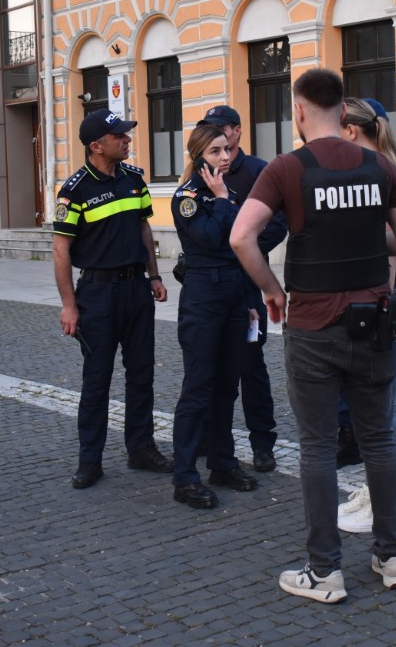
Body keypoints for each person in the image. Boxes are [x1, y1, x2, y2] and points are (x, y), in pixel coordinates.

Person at [230, 68, 396, 603]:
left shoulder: (287, 168)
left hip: (313, 326)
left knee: (316, 446)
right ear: (342, 110)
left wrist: (271, 289)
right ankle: (392, 556)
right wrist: (365, 236)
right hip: (373, 321)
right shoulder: (380, 166)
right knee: (380, 438)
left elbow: (241, 236)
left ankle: (324, 572)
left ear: (298, 111)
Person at [53, 108, 172, 490]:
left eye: (126, 134)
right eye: (119, 135)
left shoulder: (134, 179)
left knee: (142, 374)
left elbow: (143, 228)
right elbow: (61, 251)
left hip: (136, 289)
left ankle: (141, 448)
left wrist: (154, 275)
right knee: (97, 381)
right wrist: (69, 305)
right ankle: (90, 460)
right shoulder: (74, 190)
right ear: (96, 146)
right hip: (98, 295)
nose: (127, 139)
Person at [170, 123, 259, 509]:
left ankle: (222, 463)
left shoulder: (229, 193)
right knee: (198, 389)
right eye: (216, 151)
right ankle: (185, 477)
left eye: (227, 149)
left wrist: (249, 299)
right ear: (198, 157)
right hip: (203, 297)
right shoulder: (187, 197)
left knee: (227, 386)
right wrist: (222, 199)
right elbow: (208, 238)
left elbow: (241, 246)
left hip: (234, 295)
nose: (225, 156)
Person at [196, 106, 287, 473]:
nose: (218, 140)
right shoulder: (200, 173)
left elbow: (278, 221)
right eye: (210, 132)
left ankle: (262, 442)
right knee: (207, 363)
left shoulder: (258, 171)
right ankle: (207, 437)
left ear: (236, 131)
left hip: (247, 282)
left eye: (221, 130)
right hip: (212, 284)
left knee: (251, 364)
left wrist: (246, 250)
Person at [336, 98, 396, 476]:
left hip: (384, 285)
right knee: (386, 365)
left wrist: (381, 298)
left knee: (390, 366)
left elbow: (393, 242)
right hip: (385, 283)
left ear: (351, 130)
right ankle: (377, 443)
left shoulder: (382, 174)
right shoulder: (390, 170)